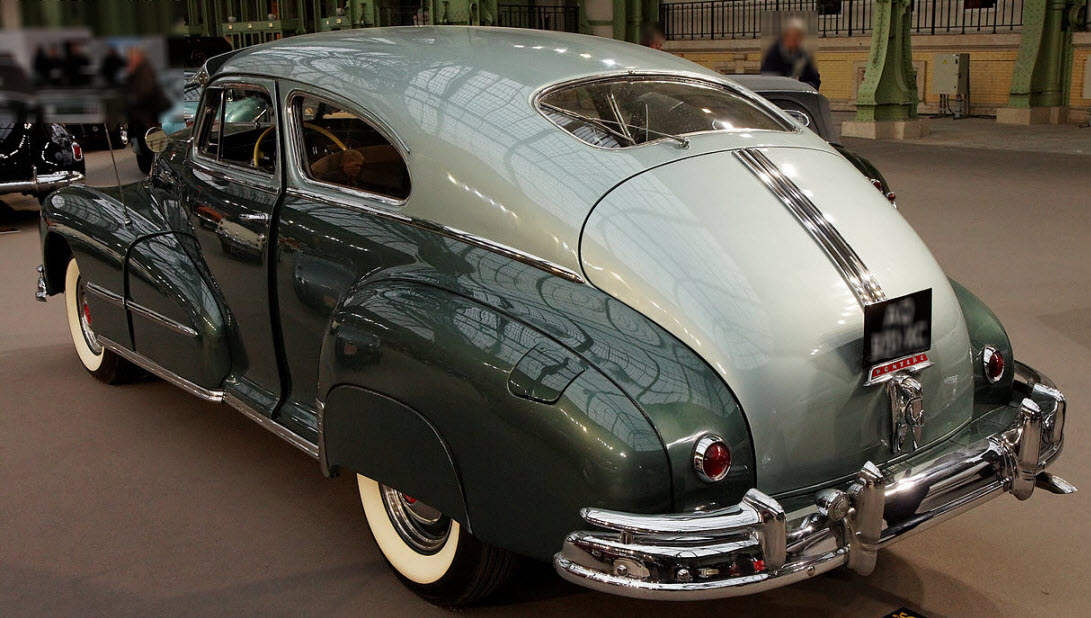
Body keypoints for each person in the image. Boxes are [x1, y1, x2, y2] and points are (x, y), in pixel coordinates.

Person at [124, 46, 170, 174]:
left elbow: (144, 92)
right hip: (140, 118)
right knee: (143, 146)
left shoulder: (144, 71)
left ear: (139, 57)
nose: (130, 60)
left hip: (146, 117)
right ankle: (148, 168)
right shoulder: (138, 71)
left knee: (149, 146)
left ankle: (152, 170)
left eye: (132, 58)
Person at [760, 18, 821, 90]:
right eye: (791, 36)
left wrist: (805, 87)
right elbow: (767, 76)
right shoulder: (774, 53)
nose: (793, 40)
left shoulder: (804, 56)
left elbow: (815, 80)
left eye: (797, 37)